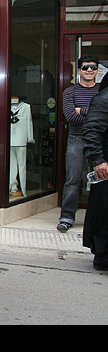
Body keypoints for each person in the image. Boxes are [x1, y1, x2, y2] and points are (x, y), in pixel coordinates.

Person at [59, 54, 100, 232]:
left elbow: (104, 116)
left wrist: (82, 110)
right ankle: (67, 217)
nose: (89, 70)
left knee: (101, 180)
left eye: (92, 67)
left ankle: (99, 220)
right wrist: (94, 114)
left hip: (98, 140)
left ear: (97, 70)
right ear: (79, 70)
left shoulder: (103, 91)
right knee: (73, 180)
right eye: (85, 67)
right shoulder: (70, 92)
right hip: (76, 139)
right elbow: (71, 117)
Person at [82, 72, 108, 270]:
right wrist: (98, 160)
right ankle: (103, 257)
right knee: (104, 214)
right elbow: (91, 130)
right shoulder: (104, 99)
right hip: (105, 165)